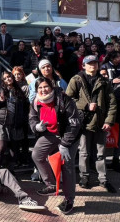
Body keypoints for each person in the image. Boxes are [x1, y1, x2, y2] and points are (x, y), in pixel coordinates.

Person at [28, 77, 83, 214]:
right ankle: (51, 185)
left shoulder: (64, 99)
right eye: (39, 88)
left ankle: (69, 199)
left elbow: (74, 124)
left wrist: (65, 144)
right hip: (50, 134)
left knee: (67, 164)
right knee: (37, 155)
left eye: (46, 86)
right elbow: (32, 118)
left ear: (51, 87)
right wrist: (37, 127)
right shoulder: (35, 101)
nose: (43, 90)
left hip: (68, 135)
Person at [66, 55, 117, 192]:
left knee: (101, 153)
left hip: (101, 123)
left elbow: (112, 103)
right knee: (84, 152)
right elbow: (68, 100)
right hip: (84, 122)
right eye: (89, 63)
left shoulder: (104, 82)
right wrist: (86, 105)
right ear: (83, 65)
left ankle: (103, 179)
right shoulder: (76, 80)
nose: (92, 65)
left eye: (95, 63)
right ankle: (84, 177)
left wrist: (109, 121)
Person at [0, 71, 29, 167]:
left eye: (10, 77)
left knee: (15, 147)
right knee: (1, 146)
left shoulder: (18, 90)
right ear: (3, 80)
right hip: (1, 122)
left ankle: (12, 166)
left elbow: (25, 105)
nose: (8, 79)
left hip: (15, 122)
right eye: (6, 77)